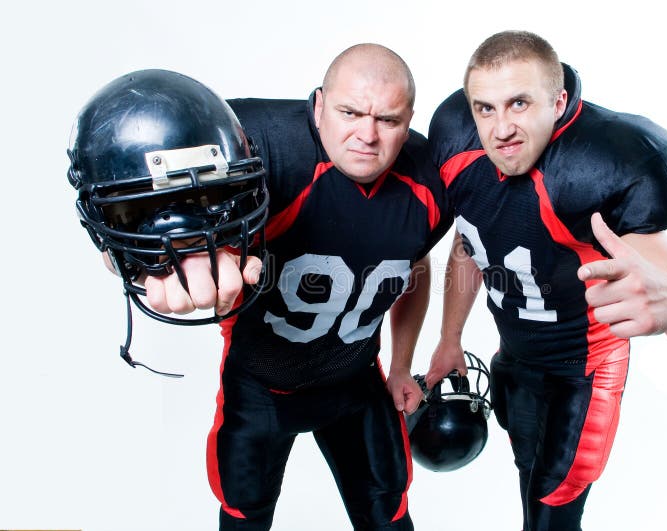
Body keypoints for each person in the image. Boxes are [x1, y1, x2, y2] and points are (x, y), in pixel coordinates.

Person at [144, 44, 451, 530]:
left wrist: (401, 365)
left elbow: (412, 262)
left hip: (353, 379)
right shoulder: (265, 150)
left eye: (388, 120)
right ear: (320, 104)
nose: (367, 135)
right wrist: (152, 263)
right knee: (244, 517)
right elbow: (142, 204)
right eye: (350, 112)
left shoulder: (430, 181)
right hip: (260, 382)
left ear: (410, 118)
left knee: (389, 517)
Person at [424, 30, 667, 531]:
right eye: (486, 108)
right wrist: (449, 338)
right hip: (515, 359)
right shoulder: (457, 134)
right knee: (530, 489)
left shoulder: (603, 162)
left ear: (559, 100)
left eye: (519, 103)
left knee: (552, 515)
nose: (500, 129)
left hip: (582, 374)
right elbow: (469, 239)